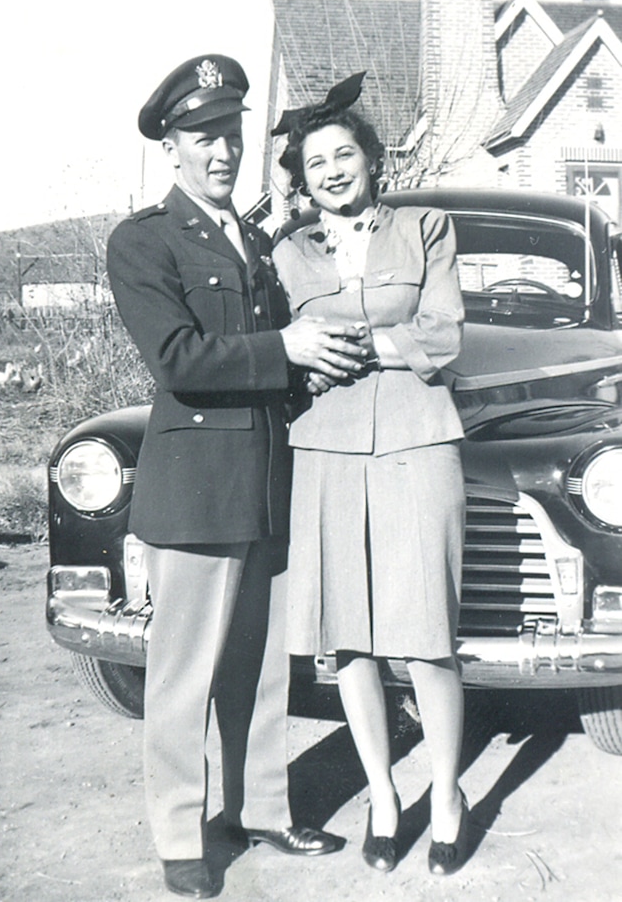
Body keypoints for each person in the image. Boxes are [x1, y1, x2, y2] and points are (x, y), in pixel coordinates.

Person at [107, 55, 367, 899]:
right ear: (171, 147)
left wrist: (312, 366)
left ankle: (257, 807)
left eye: (230, 134)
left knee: (258, 668)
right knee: (183, 675)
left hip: (264, 483)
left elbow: (269, 363)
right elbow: (178, 357)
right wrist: (284, 350)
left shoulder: (254, 240)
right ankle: (182, 833)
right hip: (196, 495)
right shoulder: (144, 239)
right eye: (202, 136)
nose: (221, 151)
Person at [270, 73, 469, 877]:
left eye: (343, 153)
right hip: (325, 452)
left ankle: (449, 796)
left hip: (420, 445)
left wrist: (347, 344)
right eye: (315, 161)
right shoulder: (284, 251)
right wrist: (380, 337)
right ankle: (385, 800)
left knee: (427, 637)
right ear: (302, 178)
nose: (331, 170)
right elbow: (279, 348)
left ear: (372, 159)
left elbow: (446, 337)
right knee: (347, 638)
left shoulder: (426, 227)